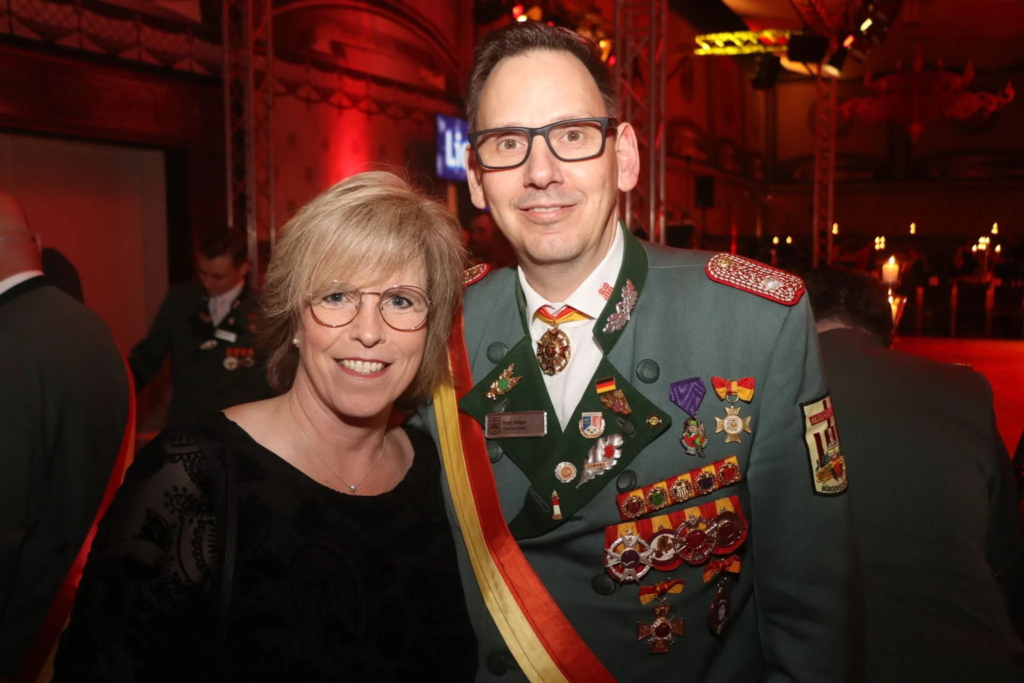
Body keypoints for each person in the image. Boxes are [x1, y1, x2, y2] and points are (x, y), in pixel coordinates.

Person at [422, 21, 856, 681]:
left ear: (623, 156)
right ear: (477, 178)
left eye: (572, 135)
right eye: (508, 143)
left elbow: (812, 612)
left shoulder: (753, 323)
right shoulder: (436, 327)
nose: (541, 172)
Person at [53, 172, 478, 680]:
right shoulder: (192, 476)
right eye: (337, 296)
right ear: (294, 319)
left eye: (401, 301)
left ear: (431, 331)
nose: (369, 331)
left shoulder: (442, 472)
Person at [805, 266, 1024, 681]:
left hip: (818, 660)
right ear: (886, 328)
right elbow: (1005, 551)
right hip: (969, 655)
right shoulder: (964, 388)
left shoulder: (760, 394)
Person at [0, 194, 129, 677]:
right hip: (86, 607)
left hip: (23, 627)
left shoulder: (6, 341)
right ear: (35, 244)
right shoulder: (90, 326)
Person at [128, 230, 271, 424]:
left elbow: (275, 378)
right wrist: (121, 386)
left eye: (218, 276)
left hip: (241, 428)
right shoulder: (181, 301)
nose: (207, 282)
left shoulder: (264, 310)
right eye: (202, 273)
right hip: (188, 425)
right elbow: (148, 356)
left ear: (243, 269)